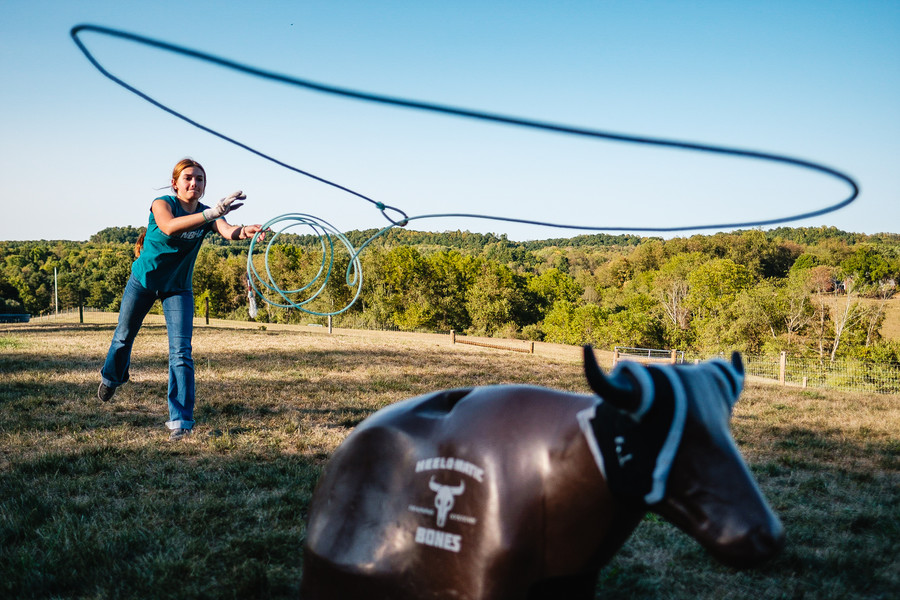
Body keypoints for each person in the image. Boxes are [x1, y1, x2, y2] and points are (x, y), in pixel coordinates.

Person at [98, 158, 265, 441]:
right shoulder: (161, 203)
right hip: (144, 282)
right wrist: (212, 212)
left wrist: (246, 231)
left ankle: (181, 421)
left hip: (178, 288)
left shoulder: (208, 214)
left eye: (199, 179)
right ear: (175, 183)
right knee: (123, 337)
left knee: (181, 353)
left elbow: (227, 231)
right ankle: (111, 377)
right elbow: (169, 227)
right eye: (188, 178)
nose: (194, 183)